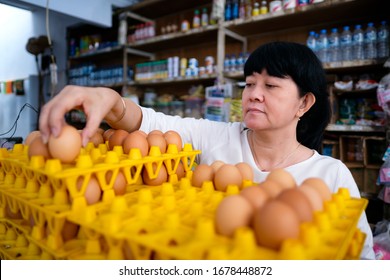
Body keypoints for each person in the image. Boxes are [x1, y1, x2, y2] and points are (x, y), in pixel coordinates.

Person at [39, 41, 375, 259]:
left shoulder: (330, 176)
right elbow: (147, 122)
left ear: (304, 102)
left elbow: (361, 261)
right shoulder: (217, 138)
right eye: (250, 83)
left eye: (271, 85)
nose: (254, 94)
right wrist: (110, 99)